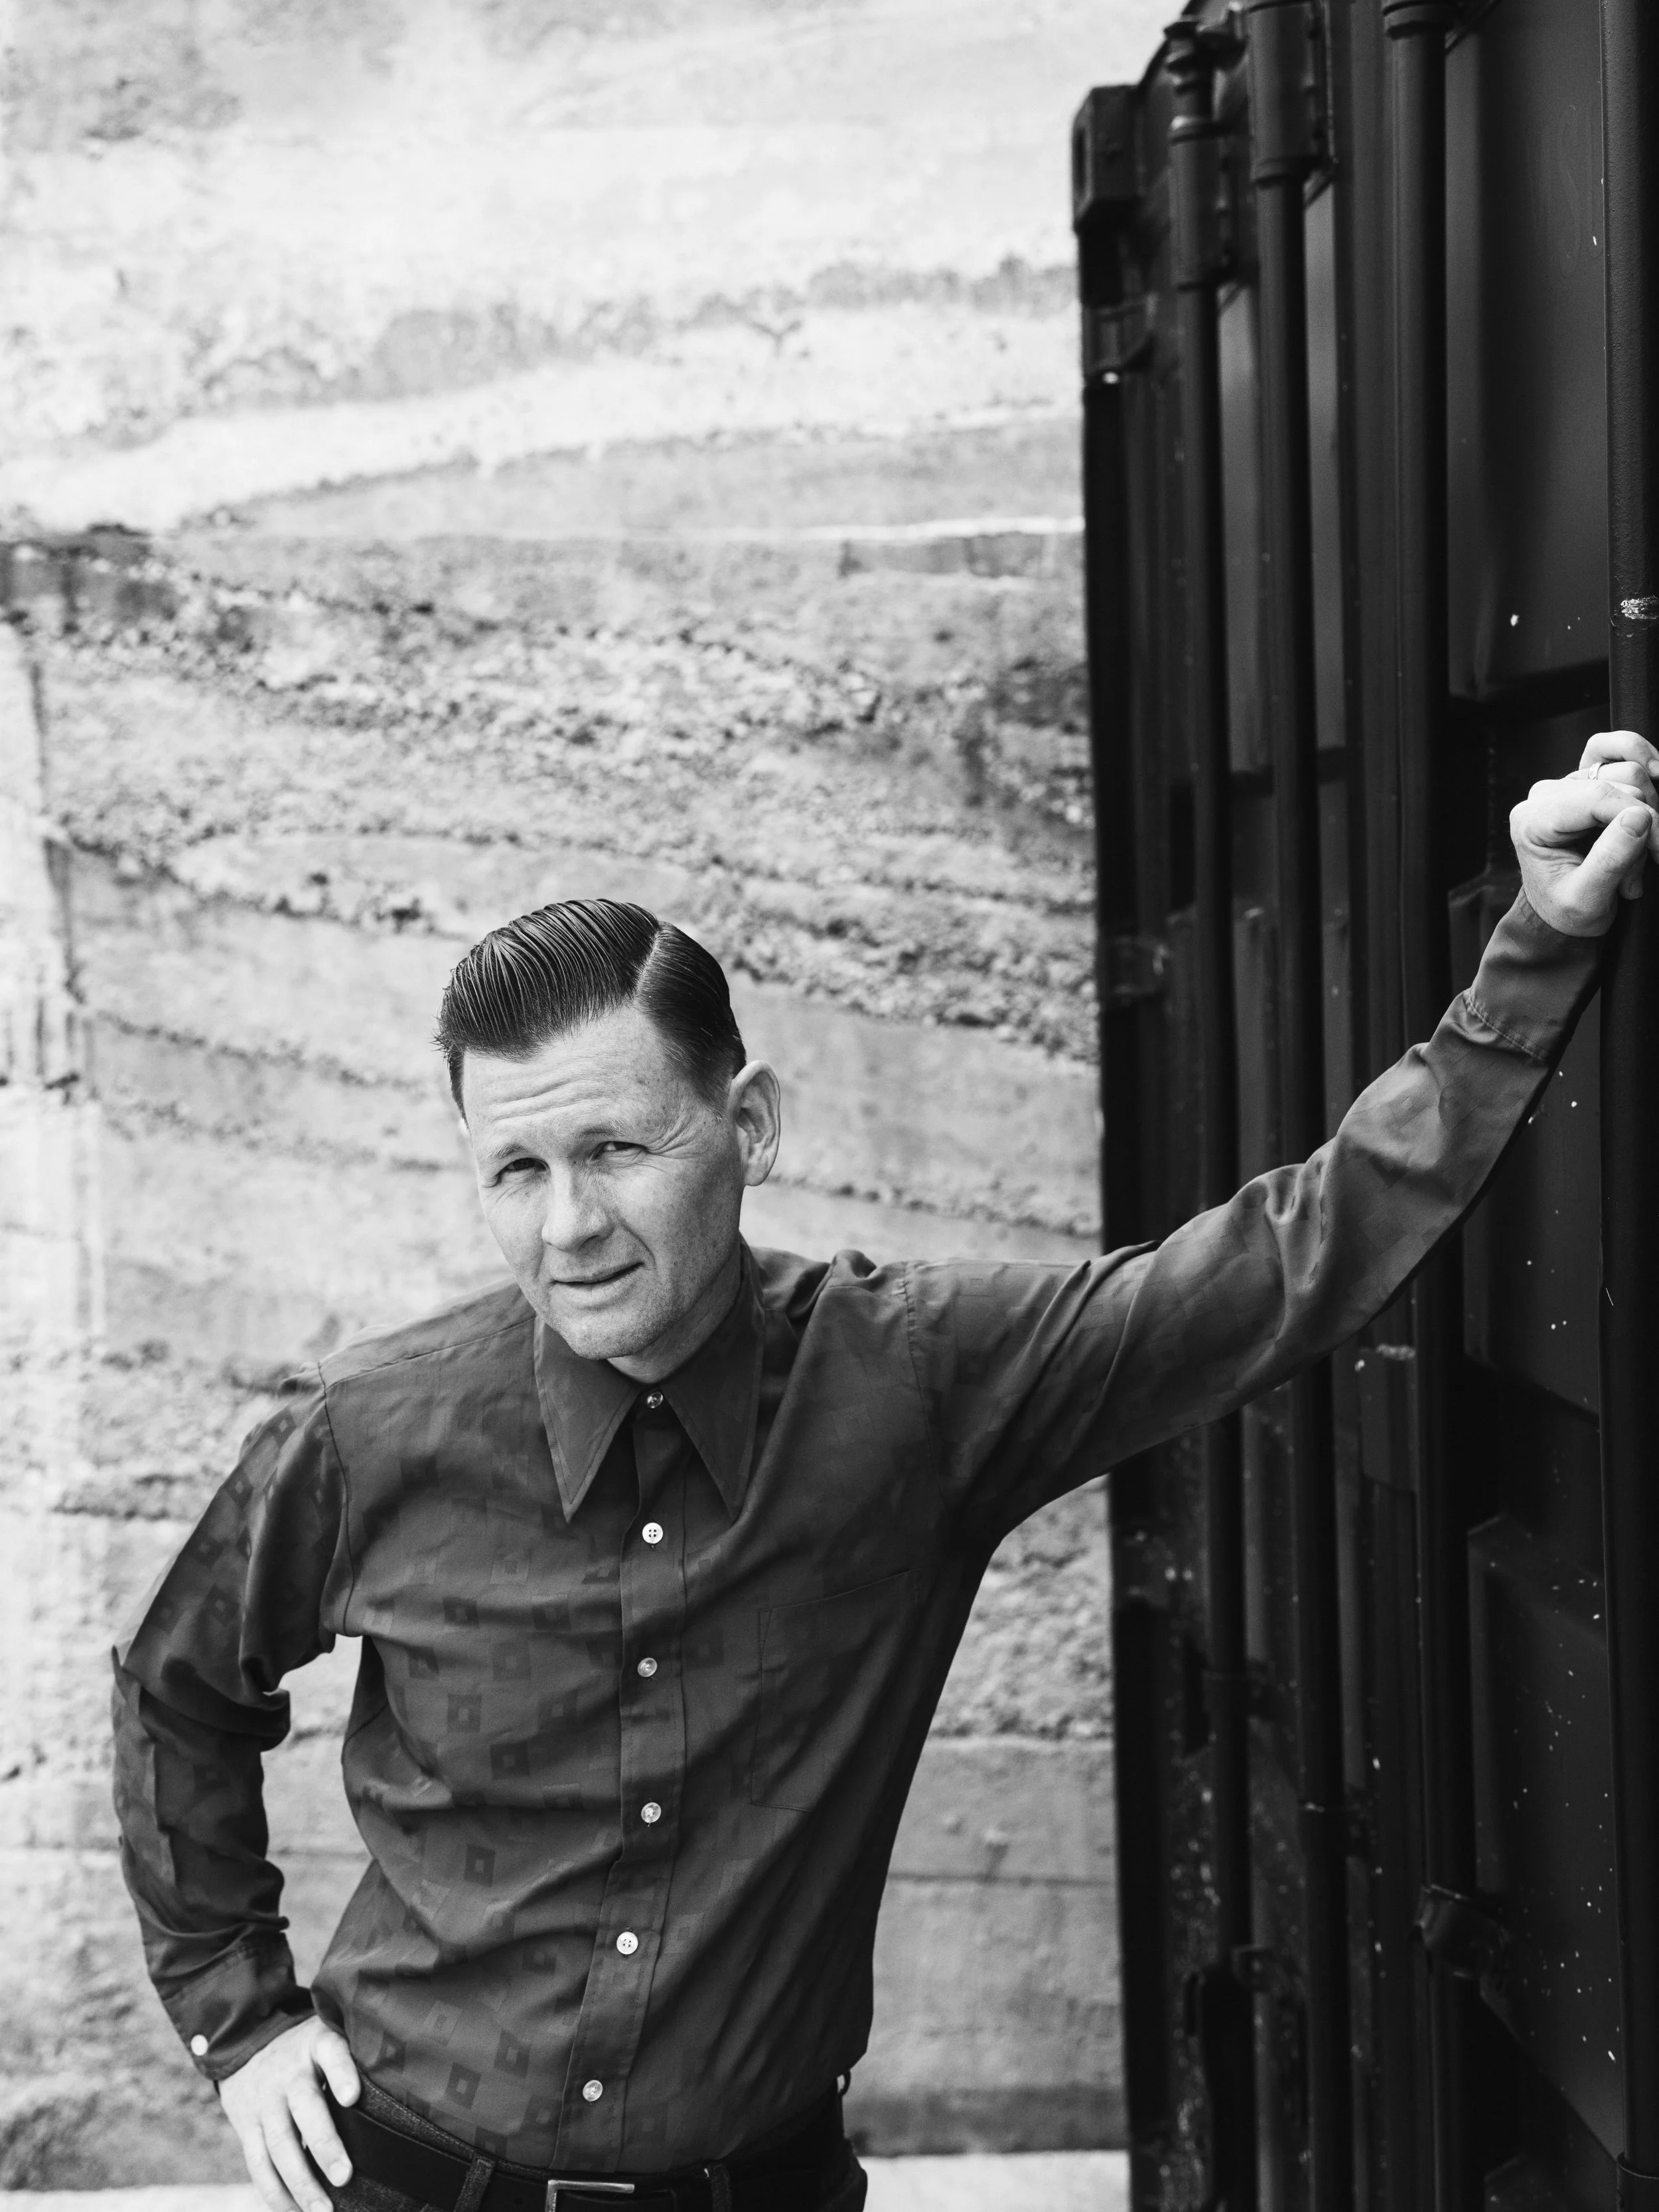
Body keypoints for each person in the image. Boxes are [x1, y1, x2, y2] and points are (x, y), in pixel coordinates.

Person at [113, 733, 1659, 2212]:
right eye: (516, 1169)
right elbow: (177, 1686)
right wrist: (236, 2014)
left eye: (616, 1150)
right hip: (406, 2178)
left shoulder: (918, 1384)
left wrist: (1534, 941)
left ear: (750, 1124)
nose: (567, 1226)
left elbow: (1282, 1262)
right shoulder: (372, 1429)